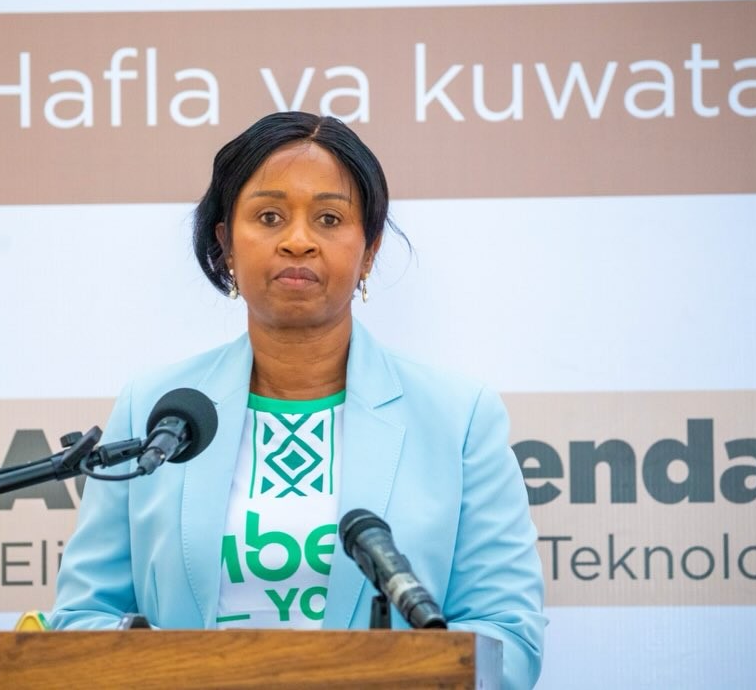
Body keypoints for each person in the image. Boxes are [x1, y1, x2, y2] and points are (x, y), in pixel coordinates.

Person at [49, 111, 546, 688]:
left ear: (369, 250)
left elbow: (507, 638)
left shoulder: (458, 418)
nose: (298, 241)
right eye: (269, 217)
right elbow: (81, 619)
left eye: (329, 219)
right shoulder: (157, 410)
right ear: (225, 243)